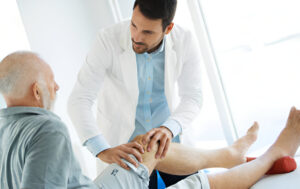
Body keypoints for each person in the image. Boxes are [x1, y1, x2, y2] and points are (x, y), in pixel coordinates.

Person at [1, 51, 300, 189]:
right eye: (51, 81)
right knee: (199, 184)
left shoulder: (5, 127)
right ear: (36, 91)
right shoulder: (46, 127)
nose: (57, 87)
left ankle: (229, 155)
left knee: (148, 142)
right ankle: (274, 153)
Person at [68, 0, 203, 187]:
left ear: (168, 28)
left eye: (147, 32)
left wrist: (169, 128)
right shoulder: (108, 39)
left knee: (200, 184)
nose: (136, 36)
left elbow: (193, 96)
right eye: (133, 25)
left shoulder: (185, 40)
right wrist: (102, 149)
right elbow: (79, 99)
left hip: (170, 144)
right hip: (128, 151)